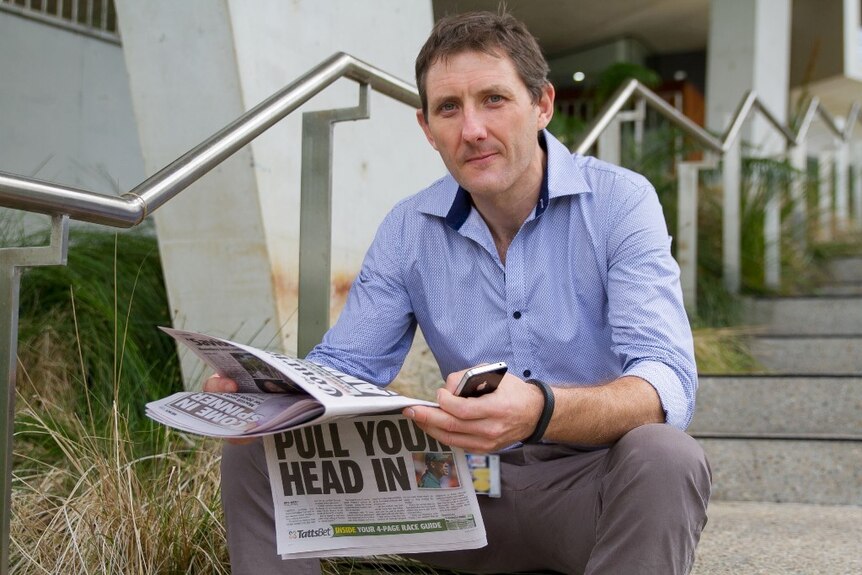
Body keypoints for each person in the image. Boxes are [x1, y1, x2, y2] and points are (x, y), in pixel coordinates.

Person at [208, 10, 711, 575]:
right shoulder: (408, 227)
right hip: (457, 493)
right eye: (450, 108)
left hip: (588, 495)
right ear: (427, 128)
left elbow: (668, 381)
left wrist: (541, 410)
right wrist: (272, 393)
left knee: (667, 456)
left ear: (542, 105)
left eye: (494, 99)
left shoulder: (620, 202)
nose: (472, 129)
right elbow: (346, 368)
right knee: (258, 450)